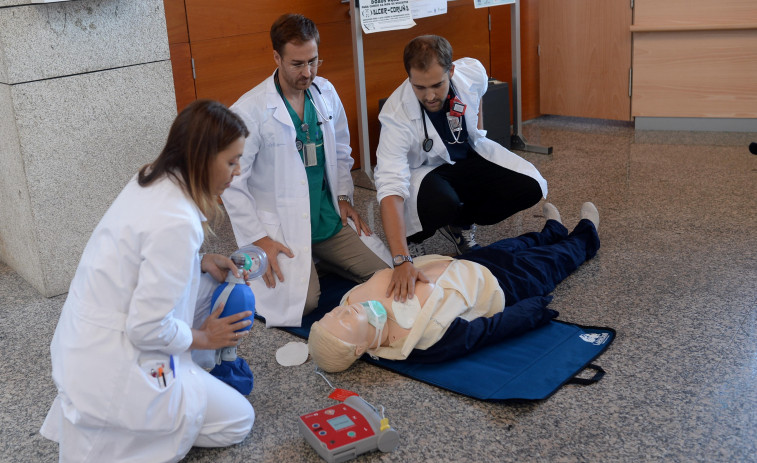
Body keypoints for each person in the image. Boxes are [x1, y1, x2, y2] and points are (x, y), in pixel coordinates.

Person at [40, 100, 255, 462]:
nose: (237, 171)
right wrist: (206, 337)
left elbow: (141, 261)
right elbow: (145, 328)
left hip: (85, 345)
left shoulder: (154, 177)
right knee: (238, 421)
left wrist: (199, 262)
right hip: (119, 364)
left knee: (216, 295)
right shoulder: (176, 220)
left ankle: (180, 383)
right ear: (202, 157)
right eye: (231, 161)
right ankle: (133, 438)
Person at [223, 13, 391, 327]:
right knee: (305, 303)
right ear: (276, 57)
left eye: (313, 61)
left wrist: (343, 196)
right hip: (281, 229)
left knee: (384, 272)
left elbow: (341, 148)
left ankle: (320, 258)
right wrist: (259, 239)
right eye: (297, 64)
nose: (308, 72)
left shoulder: (324, 93)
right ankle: (310, 263)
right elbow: (232, 183)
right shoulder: (250, 111)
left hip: (325, 216)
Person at [308, 202, 600, 373]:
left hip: (466, 263)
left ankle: (552, 231)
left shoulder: (351, 300)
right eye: (344, 321)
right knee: (556, 260)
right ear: (361, 348)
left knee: (519, 244)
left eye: (332, 315)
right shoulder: (421, 342)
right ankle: (587, 234)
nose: (342, 311)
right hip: (501, 287)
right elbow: (486, 332)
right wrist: (531, 311)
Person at [374, 35, 549, 302]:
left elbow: (479, 86)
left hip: (464, 156)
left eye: (437, 85)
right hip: (424, 173)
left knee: (530, 186)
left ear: (451, 71)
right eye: (419, 87)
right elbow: (389, 188)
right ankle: (415, 239)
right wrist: (400, 260)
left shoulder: (471, 73)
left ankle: (460, 222)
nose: (430, 96)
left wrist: (476, 129)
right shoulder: (395, 115)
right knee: (442, 201)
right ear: (409, 77)